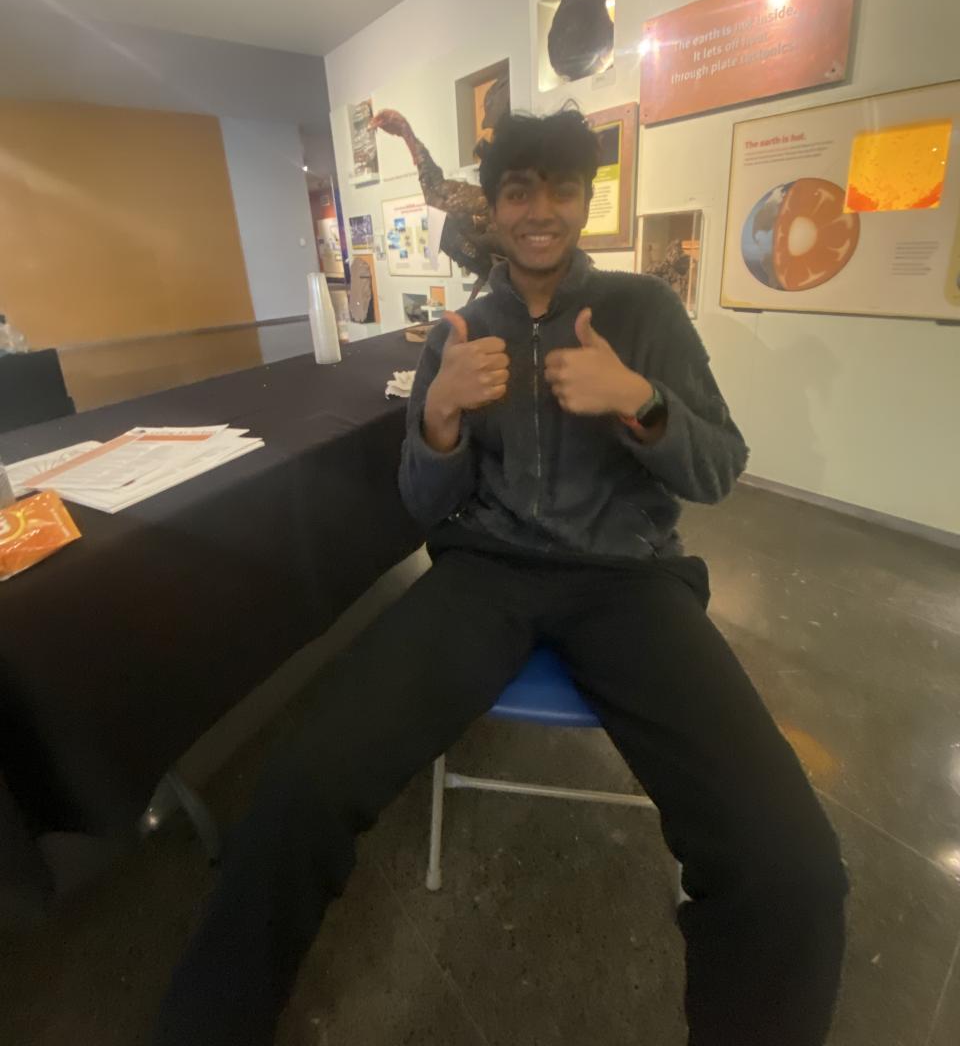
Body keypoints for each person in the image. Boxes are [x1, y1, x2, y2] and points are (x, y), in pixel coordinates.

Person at [154, 108, 847, 1046]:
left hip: (630, 582)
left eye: (562, 189)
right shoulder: (464, 327)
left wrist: (639, 401)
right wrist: (439, 417)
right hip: (484, 573)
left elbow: (720, 468)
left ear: (586, 200)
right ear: (493, 205)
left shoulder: (644, 311)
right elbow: (421, 502)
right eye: (519, 191)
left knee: (790, 864)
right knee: (298, 789)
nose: (539, 211)